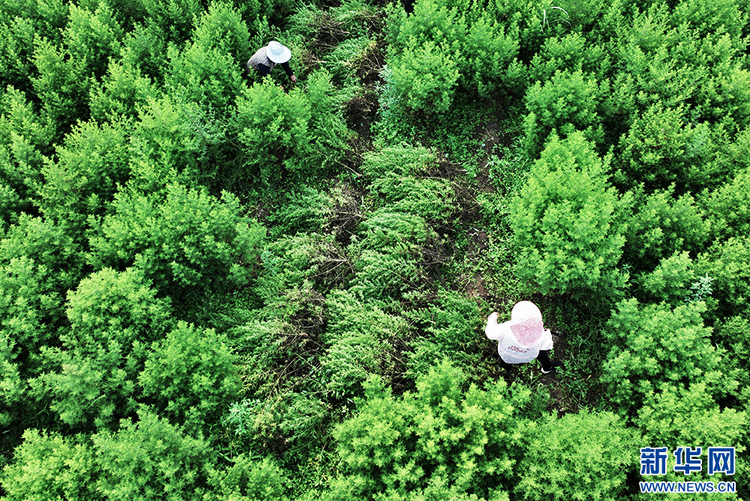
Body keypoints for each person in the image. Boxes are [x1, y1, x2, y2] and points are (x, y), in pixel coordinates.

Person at [485, 301, 564, 374]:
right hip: (527, 356)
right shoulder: (542, 336)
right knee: (541, 352)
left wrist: (492, 318)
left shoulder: (506, 329)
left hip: (506, 355)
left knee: (505, 362)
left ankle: (506, 370)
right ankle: (547, 367)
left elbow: (490, 333)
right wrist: (547, 333)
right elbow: (548, 345)